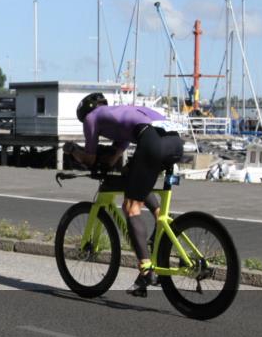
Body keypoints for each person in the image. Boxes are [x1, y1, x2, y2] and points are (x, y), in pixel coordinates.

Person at [67, 93, 184, 297]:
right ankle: (163, 231)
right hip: (174, 142)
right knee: (133, 176)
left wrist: (73, 151)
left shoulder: (91, 117)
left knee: (130, 207)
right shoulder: (118, 116)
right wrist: (109, 163)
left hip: (152, 142)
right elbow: (112, 160)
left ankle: (146, 270)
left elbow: (90, 158)